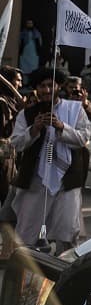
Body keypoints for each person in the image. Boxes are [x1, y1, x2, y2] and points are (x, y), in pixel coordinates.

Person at [10, 67, 90, 251]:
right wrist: (34, 130)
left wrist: (62, 127)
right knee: (27, 235)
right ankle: (27, 276)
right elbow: (16, 143)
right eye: (42, 86)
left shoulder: (75, 109)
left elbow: (83, 138)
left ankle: (64, 275)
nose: (46, 90)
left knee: (67, 234)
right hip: (36, 180)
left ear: (58, 86)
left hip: (66, 180)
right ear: (36, 88)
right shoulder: (27, 114)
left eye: (50, 85)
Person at [0, 66, 24, 205]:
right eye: (17, 80)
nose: (20, 84)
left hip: (10, 156)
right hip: (3, 157)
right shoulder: (2, 103)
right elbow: (6, 132)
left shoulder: (10, 101)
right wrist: (19, 113)